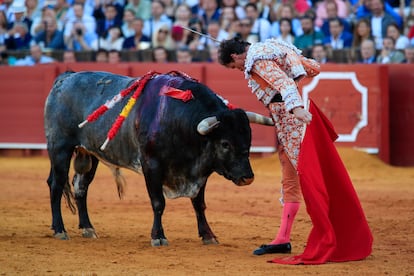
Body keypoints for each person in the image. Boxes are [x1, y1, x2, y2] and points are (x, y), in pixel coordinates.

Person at [217, 37, 320, 255]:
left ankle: (330, 229)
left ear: (235, 56)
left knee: (305, 176)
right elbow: (312, 68)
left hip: (292, 119)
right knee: (292, 176)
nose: (237, 70)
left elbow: (284, 83)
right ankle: (283, 238)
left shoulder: (256, 60)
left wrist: (296, 108)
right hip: (288, 118)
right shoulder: (271, 48)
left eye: (233, 66)